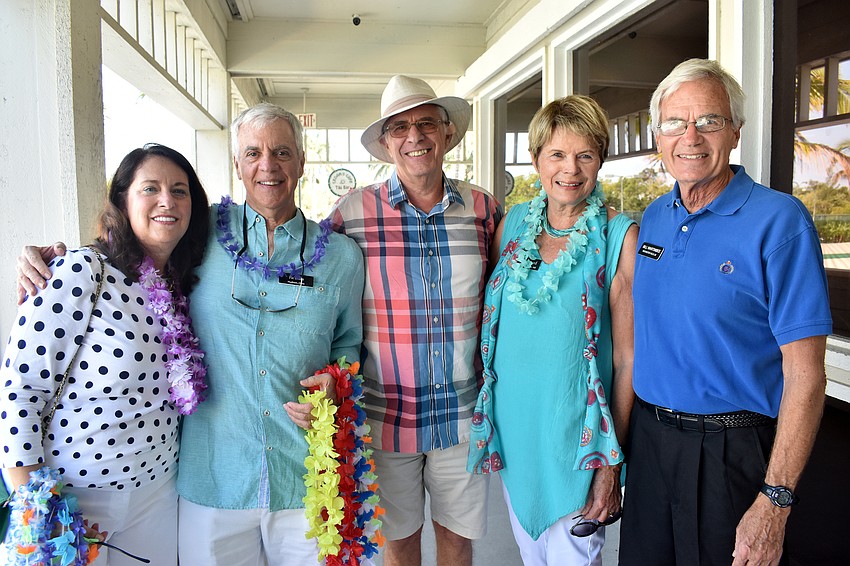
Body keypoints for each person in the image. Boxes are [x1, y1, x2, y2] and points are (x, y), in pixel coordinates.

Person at [15, 103, 366, 565]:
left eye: (282, 152)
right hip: (210, 482)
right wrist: (51, 259)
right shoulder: (201, 236)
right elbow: (135, 245)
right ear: (237, 164)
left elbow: (348, 348)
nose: (268, 165)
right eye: (253, 153)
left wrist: (334, 382)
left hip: (304, 480)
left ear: (301, 162)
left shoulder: (342, 257)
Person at [619, 58, 832, 566]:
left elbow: (805, 375)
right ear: (658, 137)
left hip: (731, 453)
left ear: (735, 132)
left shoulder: (780, 222)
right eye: (675, 122)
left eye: (709, 120)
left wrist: (775, 499)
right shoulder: (652, 217)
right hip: (650, 446)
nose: (691, 136)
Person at [1, 143, 210, 565]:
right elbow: (20, 391)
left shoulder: (184, 283)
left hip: (158, 495)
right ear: (122, 201)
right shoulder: (80, 271)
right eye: (149, 188)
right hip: (75, 498)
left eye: (180, 190)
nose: (166, 201)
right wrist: (37, 509)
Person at [330, 74, 502, 566]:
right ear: (386, 143)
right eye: (400, 127)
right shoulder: (351, 214)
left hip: (462, 411)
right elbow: (327, 299)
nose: (415, 136)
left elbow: (505, 295)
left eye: (426, 122)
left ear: (447, 133)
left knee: (457, 540)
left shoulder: (484, 208)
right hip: (386, 415)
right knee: (398, 543)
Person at [466, 96, 637, 565]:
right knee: (530, 551)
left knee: (574, 556)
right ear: (537, 159)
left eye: (585, 154)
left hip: (576, 435)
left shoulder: (620, 236)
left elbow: (627, 361)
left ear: (600, 159)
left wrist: (610, 459)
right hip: (518, 427)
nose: (571, 169)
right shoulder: (514, 223)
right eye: (557, 154)